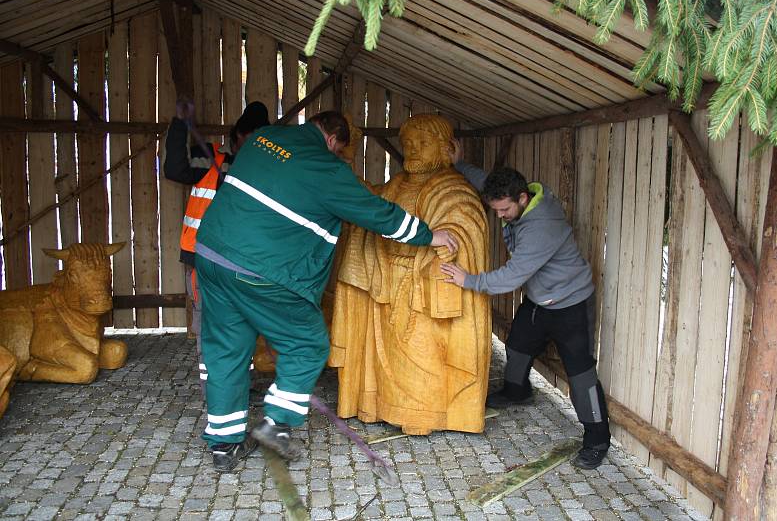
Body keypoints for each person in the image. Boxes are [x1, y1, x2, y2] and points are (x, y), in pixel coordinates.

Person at [193, 111, 458, 471]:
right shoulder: (326, 168)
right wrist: (430, 235)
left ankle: (224, 447)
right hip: (263, 270)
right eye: (342, 151)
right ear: (334, 141)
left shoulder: (261, 139)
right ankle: (277, 423)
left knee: (226, 350)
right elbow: (378, 214)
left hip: (212, 254)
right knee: (307, 344)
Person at [440, 144, 611, 470]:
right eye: (496, 211)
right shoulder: (517, 193)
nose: (500, 216)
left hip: (570, 303)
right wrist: (460, 164)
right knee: (517, 345)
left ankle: (597, 438)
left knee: (581, 374)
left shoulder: (540, 225)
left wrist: (469, 280)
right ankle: (517, 392)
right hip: (539, 299)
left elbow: (511, 277)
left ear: (521, 200)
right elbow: (487, 180)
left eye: (504, 211)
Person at [329, 114, 491, 435]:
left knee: (422, 354)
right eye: (408, 145)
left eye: (424, 143)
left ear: (446, 149)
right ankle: (381, 405)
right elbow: (368, 203)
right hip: (385, 280)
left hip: (422, 285)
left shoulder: (453, 187)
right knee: (386, 356)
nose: (413, 151)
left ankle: (425, 413)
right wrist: (343, 169)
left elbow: (467, 221)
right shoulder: (396, 184)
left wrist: (448, 238)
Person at [163, 99, 270, 398]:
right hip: (202, 261)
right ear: (236, 136)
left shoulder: (269, 173)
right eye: (248, 138)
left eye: (260, 141)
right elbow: (174, 168)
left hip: (244, 265)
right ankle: (215, 392)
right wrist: (179, 124)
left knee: (243, 326)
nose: (252, 145)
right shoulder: (209, 159)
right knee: (209, 325)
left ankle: (240, 387)